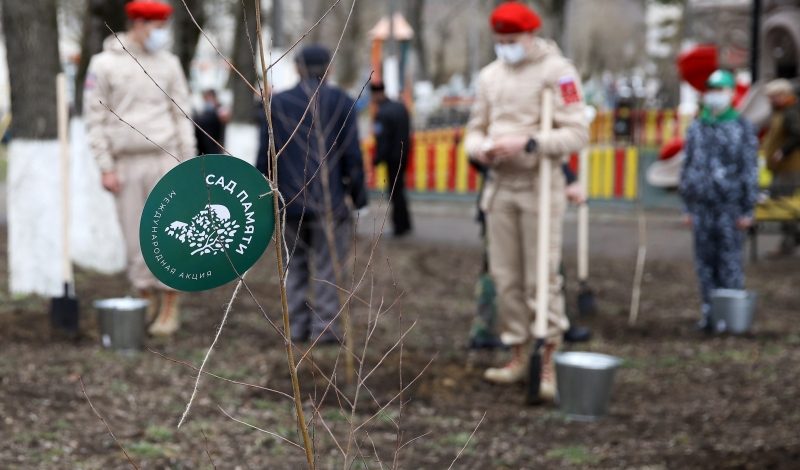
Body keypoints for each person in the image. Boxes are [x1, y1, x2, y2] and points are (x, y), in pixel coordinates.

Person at [464, 2, 588, 401]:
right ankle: (518, 352)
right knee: (505, 277)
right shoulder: (490, 76)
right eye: (500, 41)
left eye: (512, 40)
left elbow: (577, 133)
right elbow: (473, 129)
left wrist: (529, 142)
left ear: (531, 35)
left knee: (541, 276)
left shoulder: (558, 72)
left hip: (541, 186)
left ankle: (547, 354)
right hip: (500, 187)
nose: (505, 47)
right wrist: (480, 148)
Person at [84, 0, 196, 336]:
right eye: (156, 26)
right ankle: (144, 299)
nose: (161, 34)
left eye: (164, 27)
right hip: (126, 162)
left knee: (171, 233)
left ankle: (171, 305)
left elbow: (182, 113)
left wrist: (186, 163)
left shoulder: (169, 64)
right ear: (138, 23)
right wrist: (105, 165)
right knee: (135, 236)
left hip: (165, 159)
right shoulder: (104, 64)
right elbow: (95, 118)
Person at [256, 45, 367, 344]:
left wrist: (266, 197)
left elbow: (265, 157)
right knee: (328, 267)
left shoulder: (276, 104)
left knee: (294, 267)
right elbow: (352, 155)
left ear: (297, 68)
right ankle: (326, 330)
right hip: (329, 203)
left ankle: (296, 328)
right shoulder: (342, 102)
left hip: (287, 203)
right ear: (328, 68)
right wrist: (359, 198)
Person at [679, 69, 759, 332]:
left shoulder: (741, 126)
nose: (714, 95)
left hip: (730, 207)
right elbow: (688, 166)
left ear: (731, 93)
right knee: (704, 264)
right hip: (702, 207)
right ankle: (709, 316)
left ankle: (732, 318)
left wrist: (747, 208)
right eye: (711, 89)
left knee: (730, 262)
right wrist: (688, 205)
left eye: (719, 89)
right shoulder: (698, 126)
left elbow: (749, 169)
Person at [762, 78, 800, 255]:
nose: (770, 100)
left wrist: (782, 151)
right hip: (782, 167)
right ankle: (791, 240)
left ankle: (790, 242)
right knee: (782, 202)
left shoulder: (791, 111)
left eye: (773, 96)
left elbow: (796, 134)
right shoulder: (781, 111)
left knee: (784, 204)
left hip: (790, 167)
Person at [370, 81, 413, 236]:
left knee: (394, 192)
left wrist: (377, 159)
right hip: (403, 155)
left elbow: (383, 140)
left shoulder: (381, 113)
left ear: (375, 94)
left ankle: (399, 227)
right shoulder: (400, 107)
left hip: (391, 158)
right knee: (400, 189)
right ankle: (406, 224)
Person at [194, 89, 230, 155]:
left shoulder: (219, 111)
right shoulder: (203, 113)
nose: (207, 100)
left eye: (208, 97)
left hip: (215, 148)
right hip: (203, 149)